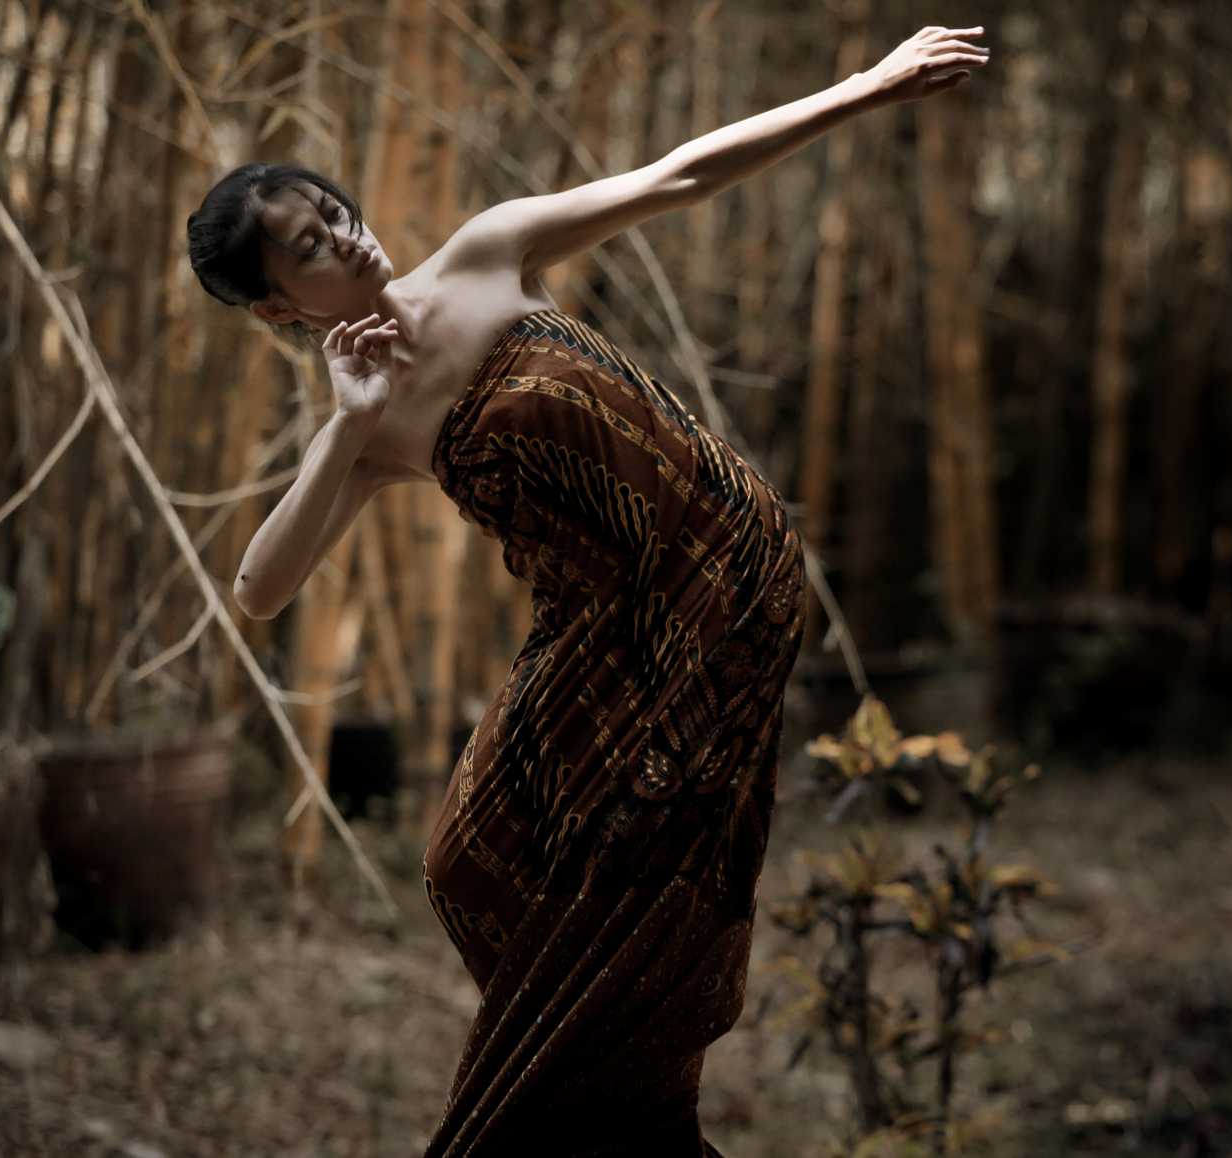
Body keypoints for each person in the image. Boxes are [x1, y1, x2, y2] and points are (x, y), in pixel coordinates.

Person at [184, 24, 988, 1158]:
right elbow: (259, 590)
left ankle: (601, 1114)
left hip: (718, 569)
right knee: (466, 862)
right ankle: (623, 1120)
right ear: (278, 308)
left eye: (333, 210)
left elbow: (679, 175)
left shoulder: (483, 253)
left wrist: (866, 86)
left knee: (643, 848)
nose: (347, 235)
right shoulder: (366, 425)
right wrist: (350, 427)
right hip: (594, 625)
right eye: (310, 246)